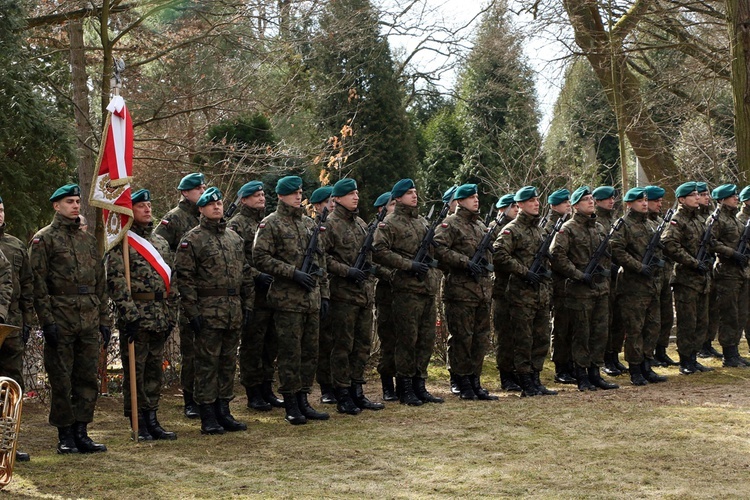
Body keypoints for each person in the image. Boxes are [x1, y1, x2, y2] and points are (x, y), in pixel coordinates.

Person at [29, 184, 110, 454]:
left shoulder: (87, 240)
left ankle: (82, 432)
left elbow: (100, 283)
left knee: (87, 379)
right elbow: (37, 284)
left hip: (87, 318)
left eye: (77, 201)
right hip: (60, 318)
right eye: (69, 202)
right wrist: (47, 321)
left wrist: (103, 320)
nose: (75, 206)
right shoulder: (44, 239)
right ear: (56, 206)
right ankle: (65, 434)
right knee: (61, 379)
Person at [253, 175, 331, 425]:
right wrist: (292, 272)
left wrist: (324, 293)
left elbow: (321, 262)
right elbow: (260, 258)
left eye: (300, 192)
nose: (298, 196)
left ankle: (304, 398)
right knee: (290, 353)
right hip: (287, 300)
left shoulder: (309, 225)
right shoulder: (271, 224)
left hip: (311, 298)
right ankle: (290, 402)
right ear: (280, 196)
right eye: (293, 193)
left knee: (309, 352)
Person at [175, 187, 252, 434]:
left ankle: (224, 410)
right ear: (201, 209)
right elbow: (184, 280)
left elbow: (246, 274)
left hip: (232, 311)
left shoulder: (234, 239)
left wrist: (247, 304)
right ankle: (207, 413)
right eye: (211, 204)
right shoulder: (192, 240)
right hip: (207, 312)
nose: (217, 207)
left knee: (228, 363)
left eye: (219, 203)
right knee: (207, 364)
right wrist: (193, 312)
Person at [106, 189, 177, 440]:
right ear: (129, 211)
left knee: (154, 370)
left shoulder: (159, 242)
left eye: (149, 205)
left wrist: (172, 314)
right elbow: (115, 281)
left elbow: (172, 279)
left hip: (160, 314)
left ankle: (152, 417)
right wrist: (129, 314)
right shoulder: (122, 242)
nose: (147, 209)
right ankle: (138, 421)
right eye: (140, 206)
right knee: (135, 370)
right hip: (136, 316)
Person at [372, 178, 443, 406]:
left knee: (425, 340)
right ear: (398, 198)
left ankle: (419, 384)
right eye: (409, 192)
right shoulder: (389, 223)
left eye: (415, 191)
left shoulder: (422, 222)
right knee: (407, 340)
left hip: (427, 289)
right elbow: (379, 251)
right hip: (405, 290)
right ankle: (404, 387)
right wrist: (408, 265)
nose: (414, 195)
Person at [321, 178, 384, 414]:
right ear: (337, 198)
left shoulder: (360, 224)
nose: (355, 197)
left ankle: (358, 391)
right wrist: (347, 271)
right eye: (350, 193)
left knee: (362, 346)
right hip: (342, 295)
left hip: (363, 295)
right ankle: (343, 394)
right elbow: (323, 257)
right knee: (342, 347)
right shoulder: (330, 224)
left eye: (356, 192)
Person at [549, 186, 619, 391]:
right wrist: (578, 274)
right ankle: (581, 374)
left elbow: (608, 256)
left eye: (591, 198)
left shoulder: (599, 228)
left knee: (599, 333)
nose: (590, 202)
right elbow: (557, 256)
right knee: (582, 334)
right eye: (586, 199)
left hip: (600, 289)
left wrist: (603, 276)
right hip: (579, 291)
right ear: (576, 205)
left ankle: (595, 373)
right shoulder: (567, 229)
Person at [434, 184, 497, 400]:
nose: (476, 200)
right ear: (459, 201)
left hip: (481, 291)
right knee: (462, 338)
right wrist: (465, 262)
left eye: (477, 197)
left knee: (480, 339)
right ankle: (461, 380)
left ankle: (474, 380)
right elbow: (438, 248)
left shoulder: (480, 225)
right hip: (460, 291)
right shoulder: (450, 223)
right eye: (470, 197)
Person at [493, 186, 556, 397]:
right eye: (531, 201)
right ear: (519, 205)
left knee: (541, 338)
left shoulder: (537, 229)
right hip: (520, 294)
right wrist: (524, 271)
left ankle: (536, 379)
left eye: (537, 200)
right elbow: (499, 255)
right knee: (523, 340)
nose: (536, 203)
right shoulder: (512, 229)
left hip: (539, 293)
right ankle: (525, 380)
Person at [154, 172, 206, 419]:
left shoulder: (204, 216)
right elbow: (157, 251)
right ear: (186, 193)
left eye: (204, 187)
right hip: (185, 290)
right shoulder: (174, 219)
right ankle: (190, 399)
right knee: (191, 349)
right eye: (198, 188)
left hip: (206, 290)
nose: (202, 191)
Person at [227, 181, 283, 412]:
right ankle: (253, 392)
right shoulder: (235, 225)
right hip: (252, 292)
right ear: (243, 200)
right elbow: (238, 260)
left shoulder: (266, 222)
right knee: (253, 344)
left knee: (271, 343)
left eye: (262, 194)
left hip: (272, 292)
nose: (261, 198)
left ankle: (267, 388)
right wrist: (257, 275)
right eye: (256, 195)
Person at [609, 187, 667, 385]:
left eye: (644, 200)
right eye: (639, 201)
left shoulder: (650, 224)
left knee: (652, 327)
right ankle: (635, 369)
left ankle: (646, 365)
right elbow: (616, 250)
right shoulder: (623, 225)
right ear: (629, 204)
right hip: (632, 286)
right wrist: (638, 266)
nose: (644, 203)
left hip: (652, 285)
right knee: (635, 329)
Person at [661, 182, 714, 375]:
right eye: (693, 195)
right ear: (682, 199)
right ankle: (685, 359)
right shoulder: (678, 219)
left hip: (702, 278)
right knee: (687, 322)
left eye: (698, 195)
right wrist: (692, 262)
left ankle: (693, 357)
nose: (697, 198)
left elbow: (708, 242)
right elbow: (668, 243)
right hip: (686, 278)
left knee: (702, 321)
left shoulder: (699, 219)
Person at [0, 195, 32, 461]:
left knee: (12, 383)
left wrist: (27, 320)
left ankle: (9, 443)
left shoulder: (16, 245)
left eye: (1, 209)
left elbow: (27, 286)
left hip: (10, 324)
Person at [707, 184, 750, 367]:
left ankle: (735, 352)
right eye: (732, 196)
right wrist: (732, 253)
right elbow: (710, 242)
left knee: (741, 313)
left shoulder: (736, 220)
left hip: (741, 272)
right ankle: (728, 354)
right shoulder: (716, 219)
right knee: (729, 314)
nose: (736, 198)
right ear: (722, 199)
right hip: (726, 271)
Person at [308, 185, 338, 405]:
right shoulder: (316, 228)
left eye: (334, 200)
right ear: (318, 206)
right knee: (325, 341)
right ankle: (326, 386)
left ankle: (340, 383)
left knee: (339, 341)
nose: (333, 204)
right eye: (328, 201)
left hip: (338, 290)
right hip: (325, 288)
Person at [594, 186, 627, 377]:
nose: (611, 201)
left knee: (618, 320)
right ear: (597, 201)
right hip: (603, 277)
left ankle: (614, 355)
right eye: (606, 199)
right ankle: (606, 358)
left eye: (612, 198)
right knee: (605, 320)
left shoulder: (614, 221)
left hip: (617, 278)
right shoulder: (597, 222)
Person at [544, 188, 576, 385]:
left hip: (573, 283)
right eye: (565, 203)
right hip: (558, 283)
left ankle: (571, 364)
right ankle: (561, 367)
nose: (568, 206)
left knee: (572, 326)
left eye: (569, 203)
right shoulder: (549, 227)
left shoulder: (570, 225)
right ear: (554, 206)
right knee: (561, 327)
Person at [492, 194, 521, 392]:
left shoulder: (519, 228)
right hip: (502, 288)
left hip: (518, 288)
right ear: (502, 209)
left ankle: (517, 372)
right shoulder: (495, 230)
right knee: (505, 336)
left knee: (518, 334)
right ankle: (506, 375)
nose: (516, 210)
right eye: (512, 207)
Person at [646, 186, 678, 367]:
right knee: (652, 319)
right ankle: (648, 354)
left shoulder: (661, 221)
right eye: (655, 201)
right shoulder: (648, 224)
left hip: (665, 275)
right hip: (651, 278)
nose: (659, 204)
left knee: (666, 316)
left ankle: (661, 351)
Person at [372, 192, 398, 400]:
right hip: (387, 291)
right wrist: (388, 274)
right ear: (381, 209)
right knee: (389, 340)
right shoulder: (375, 230)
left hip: (404, 291)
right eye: (392, 206)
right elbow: (372, 261)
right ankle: (388, 385)